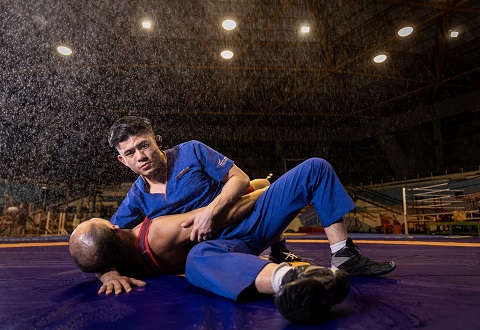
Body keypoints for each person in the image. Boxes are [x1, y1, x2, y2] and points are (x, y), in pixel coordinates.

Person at [70, 172, 350, 324]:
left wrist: (106, 275)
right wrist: (272, 191)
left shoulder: (113, 261)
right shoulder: (155, 231)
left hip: (226, 248)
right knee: (199, 257)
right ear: (114, 227)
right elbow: (219, 217)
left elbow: (89, 252)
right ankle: (292, 280)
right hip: (227, 241)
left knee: (199, 258)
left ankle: (308, 269)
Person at [107, 116, 302, 263]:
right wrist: (108, 274)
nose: (140, 156)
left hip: (235, 221)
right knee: (261, 186)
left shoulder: (191, 151)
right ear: (122, 160)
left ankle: (279, 247)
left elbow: (240, 178)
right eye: (130, 153)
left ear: (157, 141)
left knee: (259, 185)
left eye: (144, 145)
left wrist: (211, 212)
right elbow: (106, 238)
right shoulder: (136, 197)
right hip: (206, 247)